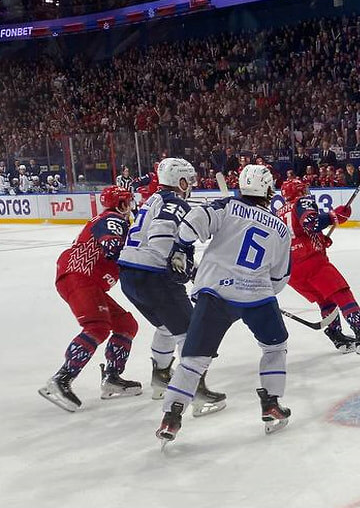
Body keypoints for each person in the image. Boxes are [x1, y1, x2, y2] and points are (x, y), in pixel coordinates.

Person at [156, 164, 292, 443]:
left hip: (216, 292)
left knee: (194, 360)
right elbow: (279, 278)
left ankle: (171, 416)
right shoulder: (281, 229)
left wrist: (181, 248)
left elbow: (192, 223)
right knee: (275, 347)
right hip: (258, 296)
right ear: (267, 189)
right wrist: (260, 287)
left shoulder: (226, 206)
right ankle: (272, 404)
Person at [118, 158, 226, 417]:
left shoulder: (152, 200)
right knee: (192, 334)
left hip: (129, 274)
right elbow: (162, 239)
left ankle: (161, 377)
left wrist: (191, 266)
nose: (191, 185)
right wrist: (181, 265)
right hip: (154, 276)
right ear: (180, 181)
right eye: (188, 180)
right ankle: (196, 393)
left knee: (166, 326)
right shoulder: (175, 202)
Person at [39, 186, 140, 412]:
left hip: (87, 281)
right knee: (97, 327)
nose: (132, 205)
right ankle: (61, 379)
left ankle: (112, 378)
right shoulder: (113, 218)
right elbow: (114, 247)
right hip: (79, 276)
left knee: (126, 324)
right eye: (129, 201)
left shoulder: (115, 220)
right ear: (122, 204)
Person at [277, 179, 360, 356]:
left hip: (291, 269)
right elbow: (311, 223)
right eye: (303, 189)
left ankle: (337, 336)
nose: (306, 192)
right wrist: (333, 216)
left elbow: (295, 234)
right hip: (311, 262)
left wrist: (319, 239)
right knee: (341, 293)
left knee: (325, 300)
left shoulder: (278, 212)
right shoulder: (302, 202)